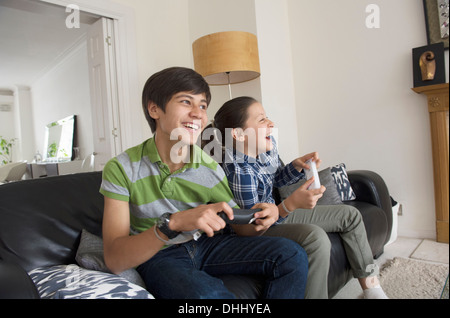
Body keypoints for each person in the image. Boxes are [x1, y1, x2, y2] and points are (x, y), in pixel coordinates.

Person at [100, 67, 309, 299]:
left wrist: (265, 215)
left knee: (291, 255)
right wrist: (174, 223)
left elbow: (241, 227)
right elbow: (114, 259)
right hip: (160, 255)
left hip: (208, 246)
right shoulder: (121, 168)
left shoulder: (208, 166)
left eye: (202, 105)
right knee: (205, 295)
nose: (198, 114)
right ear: (154, 109)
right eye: (186, 102)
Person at [203, 96, 388, 299]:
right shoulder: (239, 171)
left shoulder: (261, 154)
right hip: (257, 230)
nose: (271, 123)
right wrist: (290, 205)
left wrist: (297, 166)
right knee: (315, 238)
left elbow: (276, 180)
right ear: (238, 135)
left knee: (350, 215)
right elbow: (255, 224)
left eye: (267, 118)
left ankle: (372, 289)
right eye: (261, 120)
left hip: (276, 215)